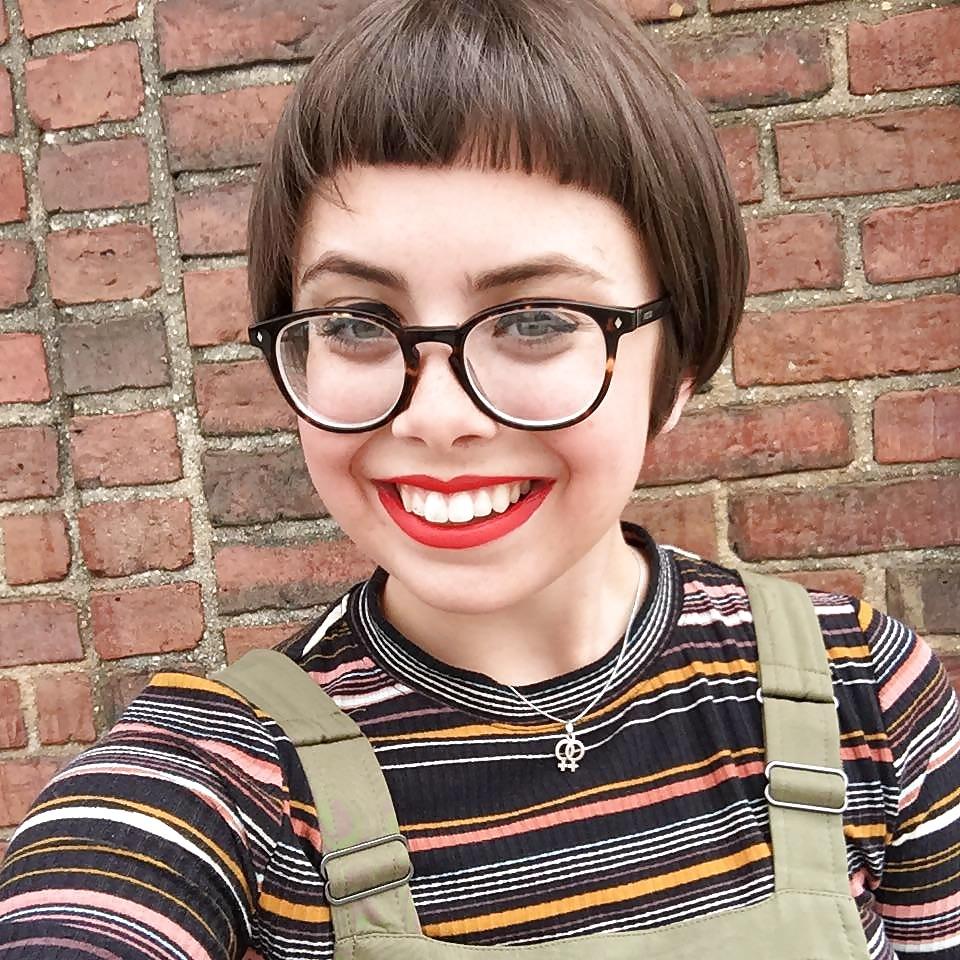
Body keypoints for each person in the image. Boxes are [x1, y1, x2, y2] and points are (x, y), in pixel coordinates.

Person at [1, 1, 958, 957]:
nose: (436, 417)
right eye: (356, 323)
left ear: (679, 370)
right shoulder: (226, 777)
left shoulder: (866, 689)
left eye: (536, 320)